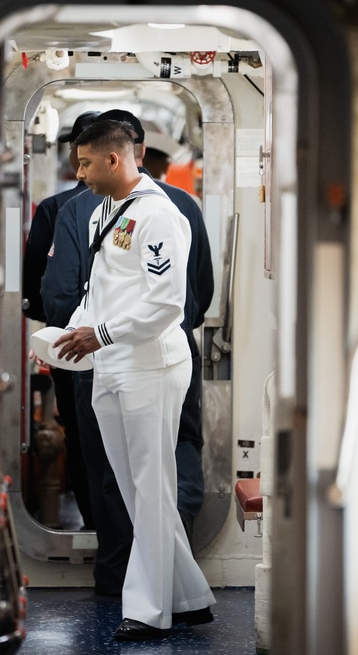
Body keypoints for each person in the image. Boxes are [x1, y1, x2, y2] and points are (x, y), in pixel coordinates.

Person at [42, 119, 215, 641]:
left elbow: (166, 305)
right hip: (110, 361)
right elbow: (100, 289)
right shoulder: (103, 213)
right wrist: (71, 333)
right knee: (134, 488)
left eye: (86, 162)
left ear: (114, 160)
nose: (79, 172)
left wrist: (100, 333)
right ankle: (187, 596)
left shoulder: (159, 215)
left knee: (150, 483)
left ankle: (146, 609)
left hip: (150, 365)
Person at [22, 110, 100, 530]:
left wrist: (53, 334)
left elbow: (36, 288)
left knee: (82, 439)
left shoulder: (56, 208)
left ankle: (95, 528)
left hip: (71, 349)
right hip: (135, 352)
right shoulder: (171, 204)